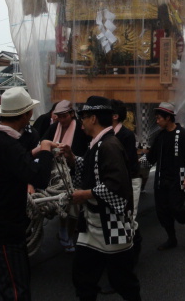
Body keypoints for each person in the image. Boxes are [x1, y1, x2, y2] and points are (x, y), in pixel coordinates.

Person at [0, 87, 57, 301]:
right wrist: (46, 149)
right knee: (16, 290)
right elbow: (38, 178)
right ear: (27, 114)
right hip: (2, 226)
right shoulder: (8, 144)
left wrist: (34, 151)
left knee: (11, 283)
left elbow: (12, 163)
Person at [68, 96, 141, 301]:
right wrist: (72, 159)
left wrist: (85, 194)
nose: (81, 121)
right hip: (93, 226)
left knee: (123, 281)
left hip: (110, 225)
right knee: (83, 278)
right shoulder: (99, 143)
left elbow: (117, 187)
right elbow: (94, 171)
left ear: (93, 118)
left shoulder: (108, 145)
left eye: (83, 116)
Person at [146, 102, 185, 251]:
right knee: (162, 210)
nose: (157, 121)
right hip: (161, 179)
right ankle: (171, 238)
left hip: (178, 178)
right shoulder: (160, 136)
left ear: (168, 117)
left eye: (159, 118)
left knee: (177, 208)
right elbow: (151, 157)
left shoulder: (183, 134)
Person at [41, 99, 90, 252]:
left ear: (72, 114)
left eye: (64, 116)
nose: (62, 120)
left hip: (75, 172)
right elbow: (44, 142)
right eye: (59, 116)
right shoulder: (54, 127)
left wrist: (71, 156)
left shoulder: (80, 130)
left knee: (74, 205)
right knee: (61, 204)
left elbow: (86, 151)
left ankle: (68, 234)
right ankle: (63, 231)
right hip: (55, 173)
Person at [110, 99, 143, 265]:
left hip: (129, 181)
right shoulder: (107, 134)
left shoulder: (126, 135)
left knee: (129, 217)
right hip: (115, 182)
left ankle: (133, 252)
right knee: (118, 218)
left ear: (115, 116)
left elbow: (130, 162)